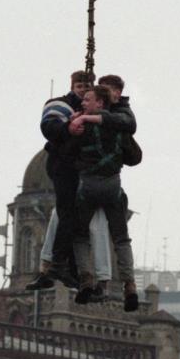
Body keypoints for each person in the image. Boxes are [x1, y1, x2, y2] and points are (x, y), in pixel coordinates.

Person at [66, 85, 138, 311]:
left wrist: (74, 125)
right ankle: (130, 285)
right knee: (121, 238)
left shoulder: (82, 127)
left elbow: (67, 152)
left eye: (87, 99)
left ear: (100, 102)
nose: (83, 102)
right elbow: (134, 155)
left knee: (80, 235)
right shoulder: (119, 125)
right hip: (112, 187)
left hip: (88, 187)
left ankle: (86, 279)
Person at [25, 70, 94, 291]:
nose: (83, 89)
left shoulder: (94, 109)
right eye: (79, 86)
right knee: (66, 215)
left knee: (75, 220)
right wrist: (68, 127)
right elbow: (49, 126)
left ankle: (67, 269)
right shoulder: (60, 105)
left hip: (83, 171)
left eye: (87, 86)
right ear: (73, 86)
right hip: (63, 167)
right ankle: (58, 267)